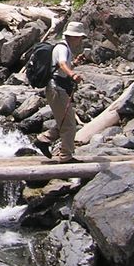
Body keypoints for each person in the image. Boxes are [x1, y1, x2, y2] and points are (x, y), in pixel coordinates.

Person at [34, 21, 88, 163]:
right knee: (69, 124)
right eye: (80, 38)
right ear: (74, 37)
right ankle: (65, 157)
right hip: (57, 89)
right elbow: (62, 65)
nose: (80, 40)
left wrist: (75, 63)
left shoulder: (64, 48)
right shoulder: (62, 48)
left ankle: (43, 139)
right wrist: (73, 75)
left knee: (65, 122)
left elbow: (60, 66)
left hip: (57, 88)